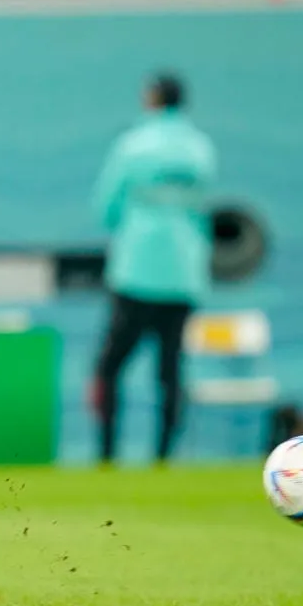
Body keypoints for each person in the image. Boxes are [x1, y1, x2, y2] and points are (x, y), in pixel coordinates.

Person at [88, 72, 217, 467]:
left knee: (109, 367)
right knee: (171, 369)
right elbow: (203, 204)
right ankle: (163, 457)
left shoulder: (132, 145)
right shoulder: (200, 149)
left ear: (151, 99)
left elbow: (106, 206)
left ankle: (107, 455)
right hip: (183, 274)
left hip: (136, 271)